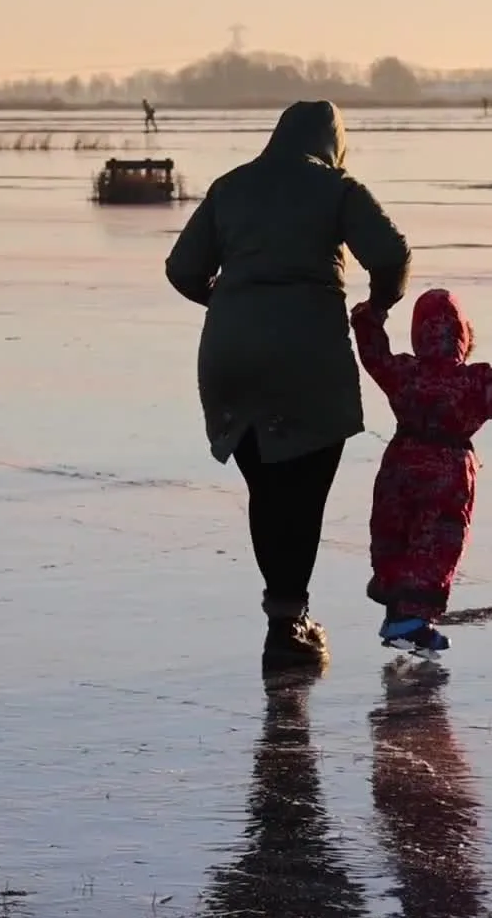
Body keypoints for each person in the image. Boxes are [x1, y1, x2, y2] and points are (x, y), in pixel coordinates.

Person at [165, 100, 412, 671]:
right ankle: (289, 623)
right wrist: (377, 304)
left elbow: (182, 270)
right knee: (302, 491)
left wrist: (230, 304)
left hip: (231, 355)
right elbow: (392, 254)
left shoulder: (230, 187)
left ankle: (283, 615)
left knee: (266, 488)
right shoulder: (337, 189)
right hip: (306, 356)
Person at [350, 289, 492, 657]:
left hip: (400, 465)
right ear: (464, 337)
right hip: (448, 475)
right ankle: (412, 620)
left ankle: (394, 601)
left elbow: (374, 355)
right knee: (437, 544)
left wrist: (368, 317)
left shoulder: (405, 373)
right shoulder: (474, 382)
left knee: (397, 535)